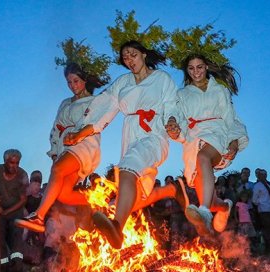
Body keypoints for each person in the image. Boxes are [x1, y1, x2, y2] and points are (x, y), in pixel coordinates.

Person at [64, 40, 188, 249]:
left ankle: (117, 228)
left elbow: (171, 106)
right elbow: (103, 109)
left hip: (154, 136)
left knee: (127, 171)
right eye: (125, 57)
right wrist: (80, 133)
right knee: (135, 196)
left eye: (132, 54)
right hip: (131, 139)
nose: (129, 60)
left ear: (143, 54)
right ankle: (171, 190)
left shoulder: (161, 79)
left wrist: (172, 123)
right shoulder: (123, 83)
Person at [15, 61, 108, 233]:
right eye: (69, 82)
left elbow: (96, 124)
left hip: (85, 144)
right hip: (66, 148)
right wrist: (55, 153)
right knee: (63, 194)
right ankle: (101, 200)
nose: (73, 86)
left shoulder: (95, 101)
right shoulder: (65, 103)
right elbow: (56, 129)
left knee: (58, 170)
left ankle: (39, 217)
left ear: (85, 80)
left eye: (76, 81)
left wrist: (77, 136)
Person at [173, 53, 248, 236]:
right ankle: (223, 207)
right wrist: (174, 128)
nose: (196, 71)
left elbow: (232, 118)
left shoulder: (220, 90)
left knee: (204, 157)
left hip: (217, 133)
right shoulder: (182, 94)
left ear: (206, 67)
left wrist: (235, 143)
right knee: (208, 196)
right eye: (191, 68)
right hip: (194, 139)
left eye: (199, 67)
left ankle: (204, 212)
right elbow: (178, 119)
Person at [0, 149, 28, 272]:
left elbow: (23, 199)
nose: (14, 166)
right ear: (5, 162)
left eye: (17, 163)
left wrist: (7, 212)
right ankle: (2, 268)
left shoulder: (22, 175)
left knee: (16, 236)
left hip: (14, 211)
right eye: (11, 163)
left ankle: (17, 267)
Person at [252, 169, 270, 252]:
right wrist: (261, 203)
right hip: (264, 210)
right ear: (258, 175)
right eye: (261, 174)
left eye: (265, 174)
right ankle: (269, 249)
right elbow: (254, 200)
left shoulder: (268, 184)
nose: (263, 176)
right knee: (268, 230)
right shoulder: (257, 185)